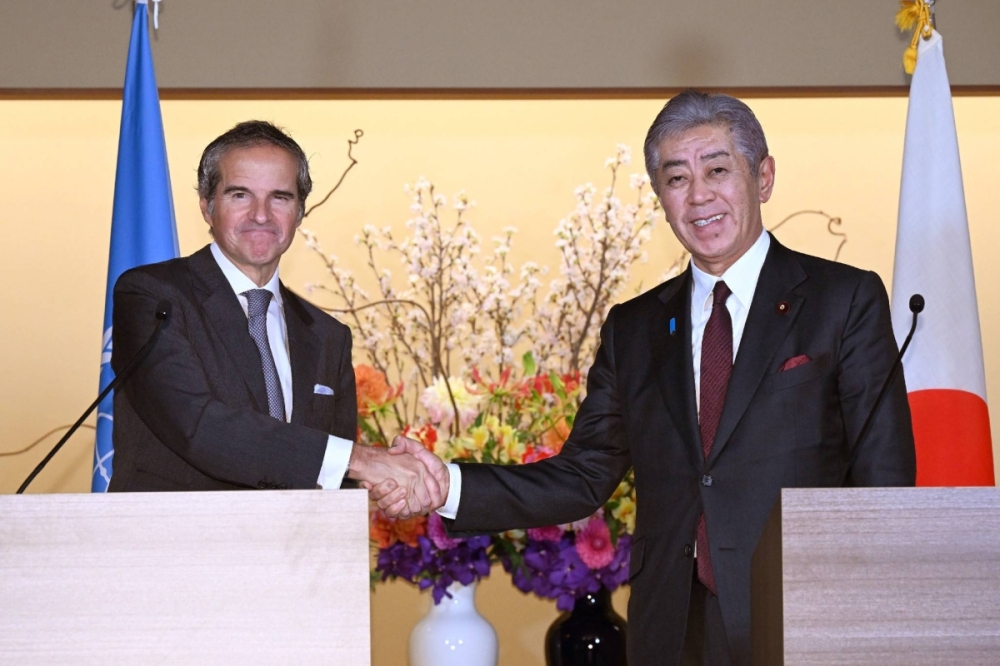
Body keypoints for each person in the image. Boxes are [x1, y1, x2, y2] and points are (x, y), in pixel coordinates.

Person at [372, 91, 917, 666]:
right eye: (676, 178)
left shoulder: (843, 299)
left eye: (717, 169)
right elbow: (582, 476)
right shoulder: (634, 328)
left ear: (764, 177)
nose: (699, 195)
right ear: (660, 198)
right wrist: (447, 486)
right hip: (672, 630)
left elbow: (884, 477)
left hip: (805, 619)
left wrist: (872, 622)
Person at [108, 120, 439, 514]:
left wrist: (393, 490)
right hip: (169, 555)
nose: (261, 215)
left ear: (300, 211)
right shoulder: (153, 296)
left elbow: (327, 475)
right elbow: (200, 427)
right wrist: (365, 460)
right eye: (240, 194)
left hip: (292, 564)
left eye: (280, 197)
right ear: (206, 205)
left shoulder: (327, 335)